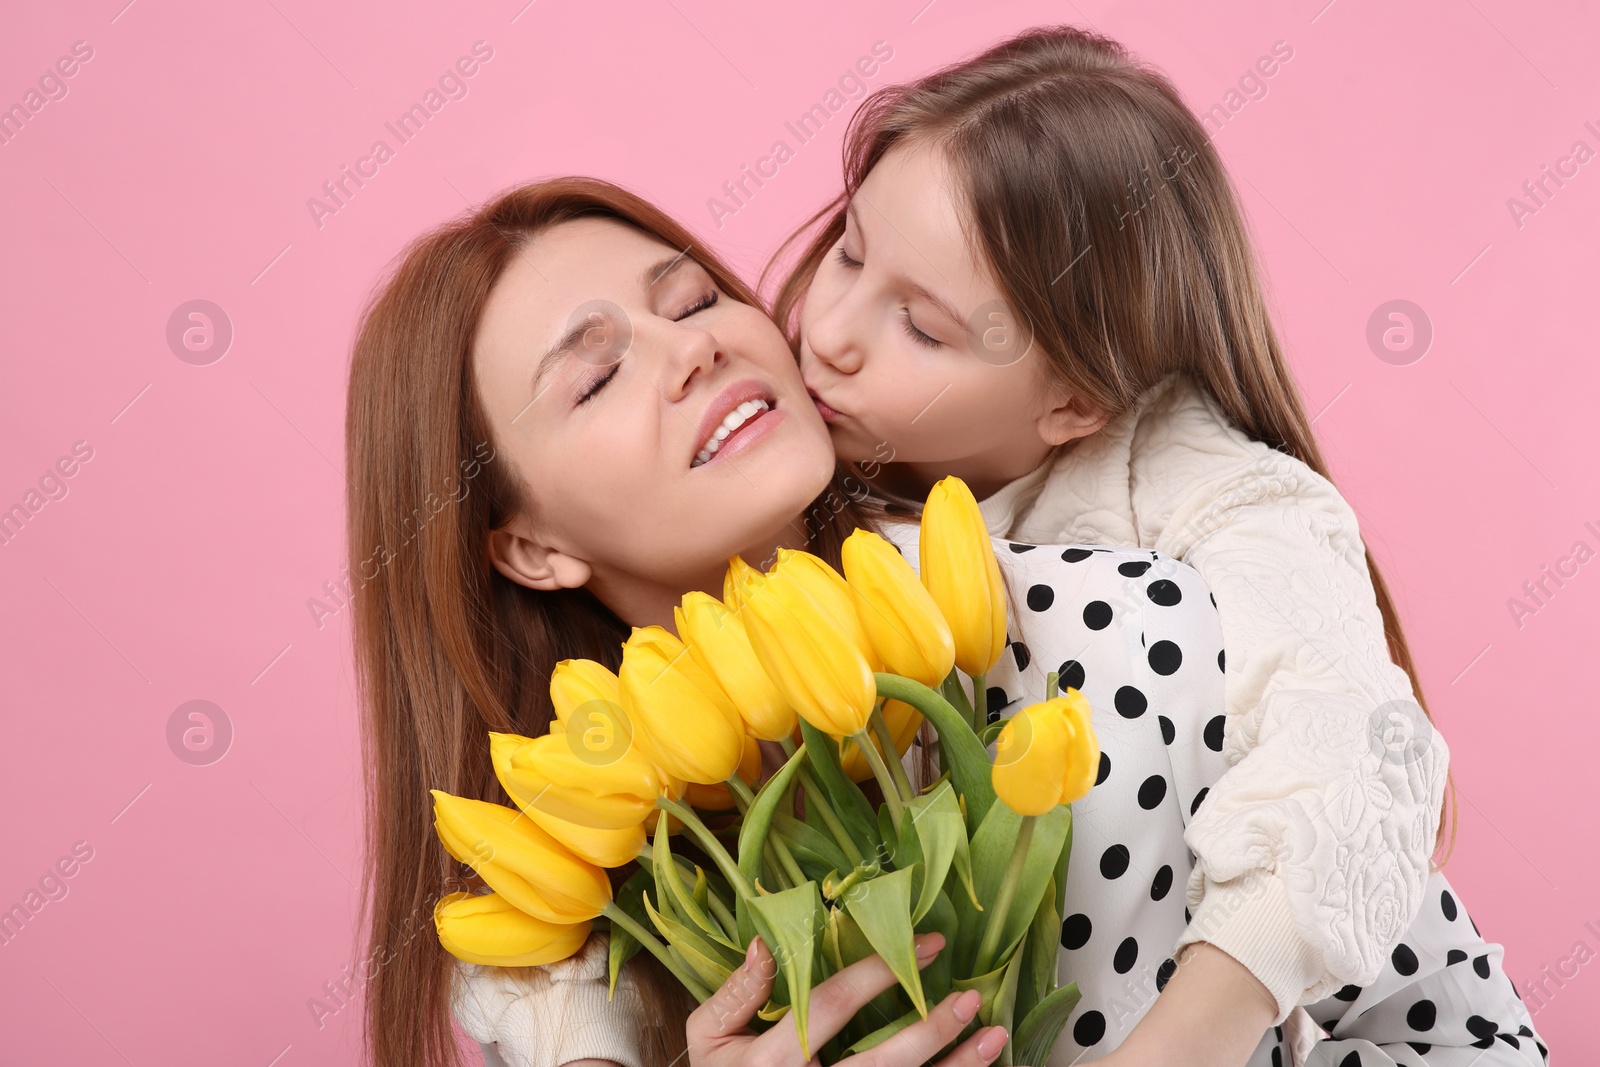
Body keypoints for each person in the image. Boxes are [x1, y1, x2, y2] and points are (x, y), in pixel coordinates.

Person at [345, 177, 1544, 1067]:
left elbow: (1420, 967)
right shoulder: (566, 924)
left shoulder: (1103, 608)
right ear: (529, 544)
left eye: (694, 296)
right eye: (597, 375)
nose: (694, 346)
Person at [777, 25, 1459, 1062]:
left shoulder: (1206, 496)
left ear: (1074, 398)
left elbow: (1359, 743)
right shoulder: (781, 458)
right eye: (850, 250)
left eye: (920, 326)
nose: (828, 329)